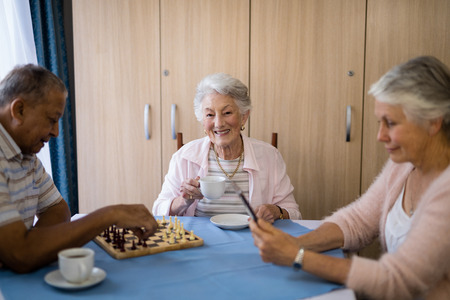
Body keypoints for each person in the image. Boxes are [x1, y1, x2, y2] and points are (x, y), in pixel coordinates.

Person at [249, 56, 450, 299]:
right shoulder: (405, 164)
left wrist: (296, 256)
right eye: (379, 122)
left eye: (391, 123)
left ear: (433, 122)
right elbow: (359, 220)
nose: (380, 135)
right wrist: (296, 243)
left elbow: (398, 280)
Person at [0, 64, 158, 273]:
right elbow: (21, 255)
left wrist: (33, 245)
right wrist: (108, 215)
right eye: (51, 120)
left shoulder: (25, 154)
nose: (56, 132)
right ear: (19, 110)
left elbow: (57, 210)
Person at [152, 73, 301, 222]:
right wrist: (184, 201)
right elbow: (158, 210)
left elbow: (294, 213)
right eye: (210, 114)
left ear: (244, 116)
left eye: (227, 113)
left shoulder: (270, 156)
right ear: (202, 120)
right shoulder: (184, 157)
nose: (218, 123)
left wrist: (276, 211)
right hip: (200, 240)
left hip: (254, 239)